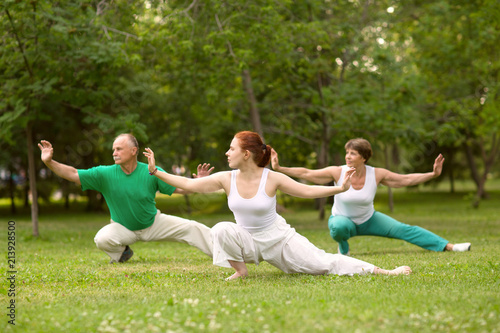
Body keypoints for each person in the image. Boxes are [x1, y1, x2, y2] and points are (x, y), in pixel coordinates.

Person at [143, 131, 412, 280]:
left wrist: (339, 188)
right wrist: (156, 172)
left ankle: (383, 271)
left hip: (279, 240)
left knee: (324, 264)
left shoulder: (272, 178)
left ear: (245, 154)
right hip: (247, 240)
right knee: (221, 229)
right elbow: (188, 185)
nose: (227, 153)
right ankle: (241, 271)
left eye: (231, 149)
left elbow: (306, 190)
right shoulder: (226, 178)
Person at [271, 138, 471, 255]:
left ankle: (449, 246)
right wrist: (280, 168)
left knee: (405, 230)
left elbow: (405, 180)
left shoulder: (377, 174)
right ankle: (343, 247)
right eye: (347, 152)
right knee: (340, 227)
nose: (348, 156)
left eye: (353, 153)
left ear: (364, 157)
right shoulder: (336, 171)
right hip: (343, 220)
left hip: (369, 219)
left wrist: (433, 174)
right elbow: (307, 173)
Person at [38, 134, 214, 263]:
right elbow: (74, 173)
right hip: (122, 228)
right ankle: (123, 253)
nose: (114, 152)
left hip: (153, 223)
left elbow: (179, 188)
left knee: (192, 227)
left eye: (119, 149)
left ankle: (223, 254)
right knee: (102, 239)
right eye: (113, 149)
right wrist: (49, 162)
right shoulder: (104, 174)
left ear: (133, 151)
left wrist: (199, 183)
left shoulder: (151, 171)